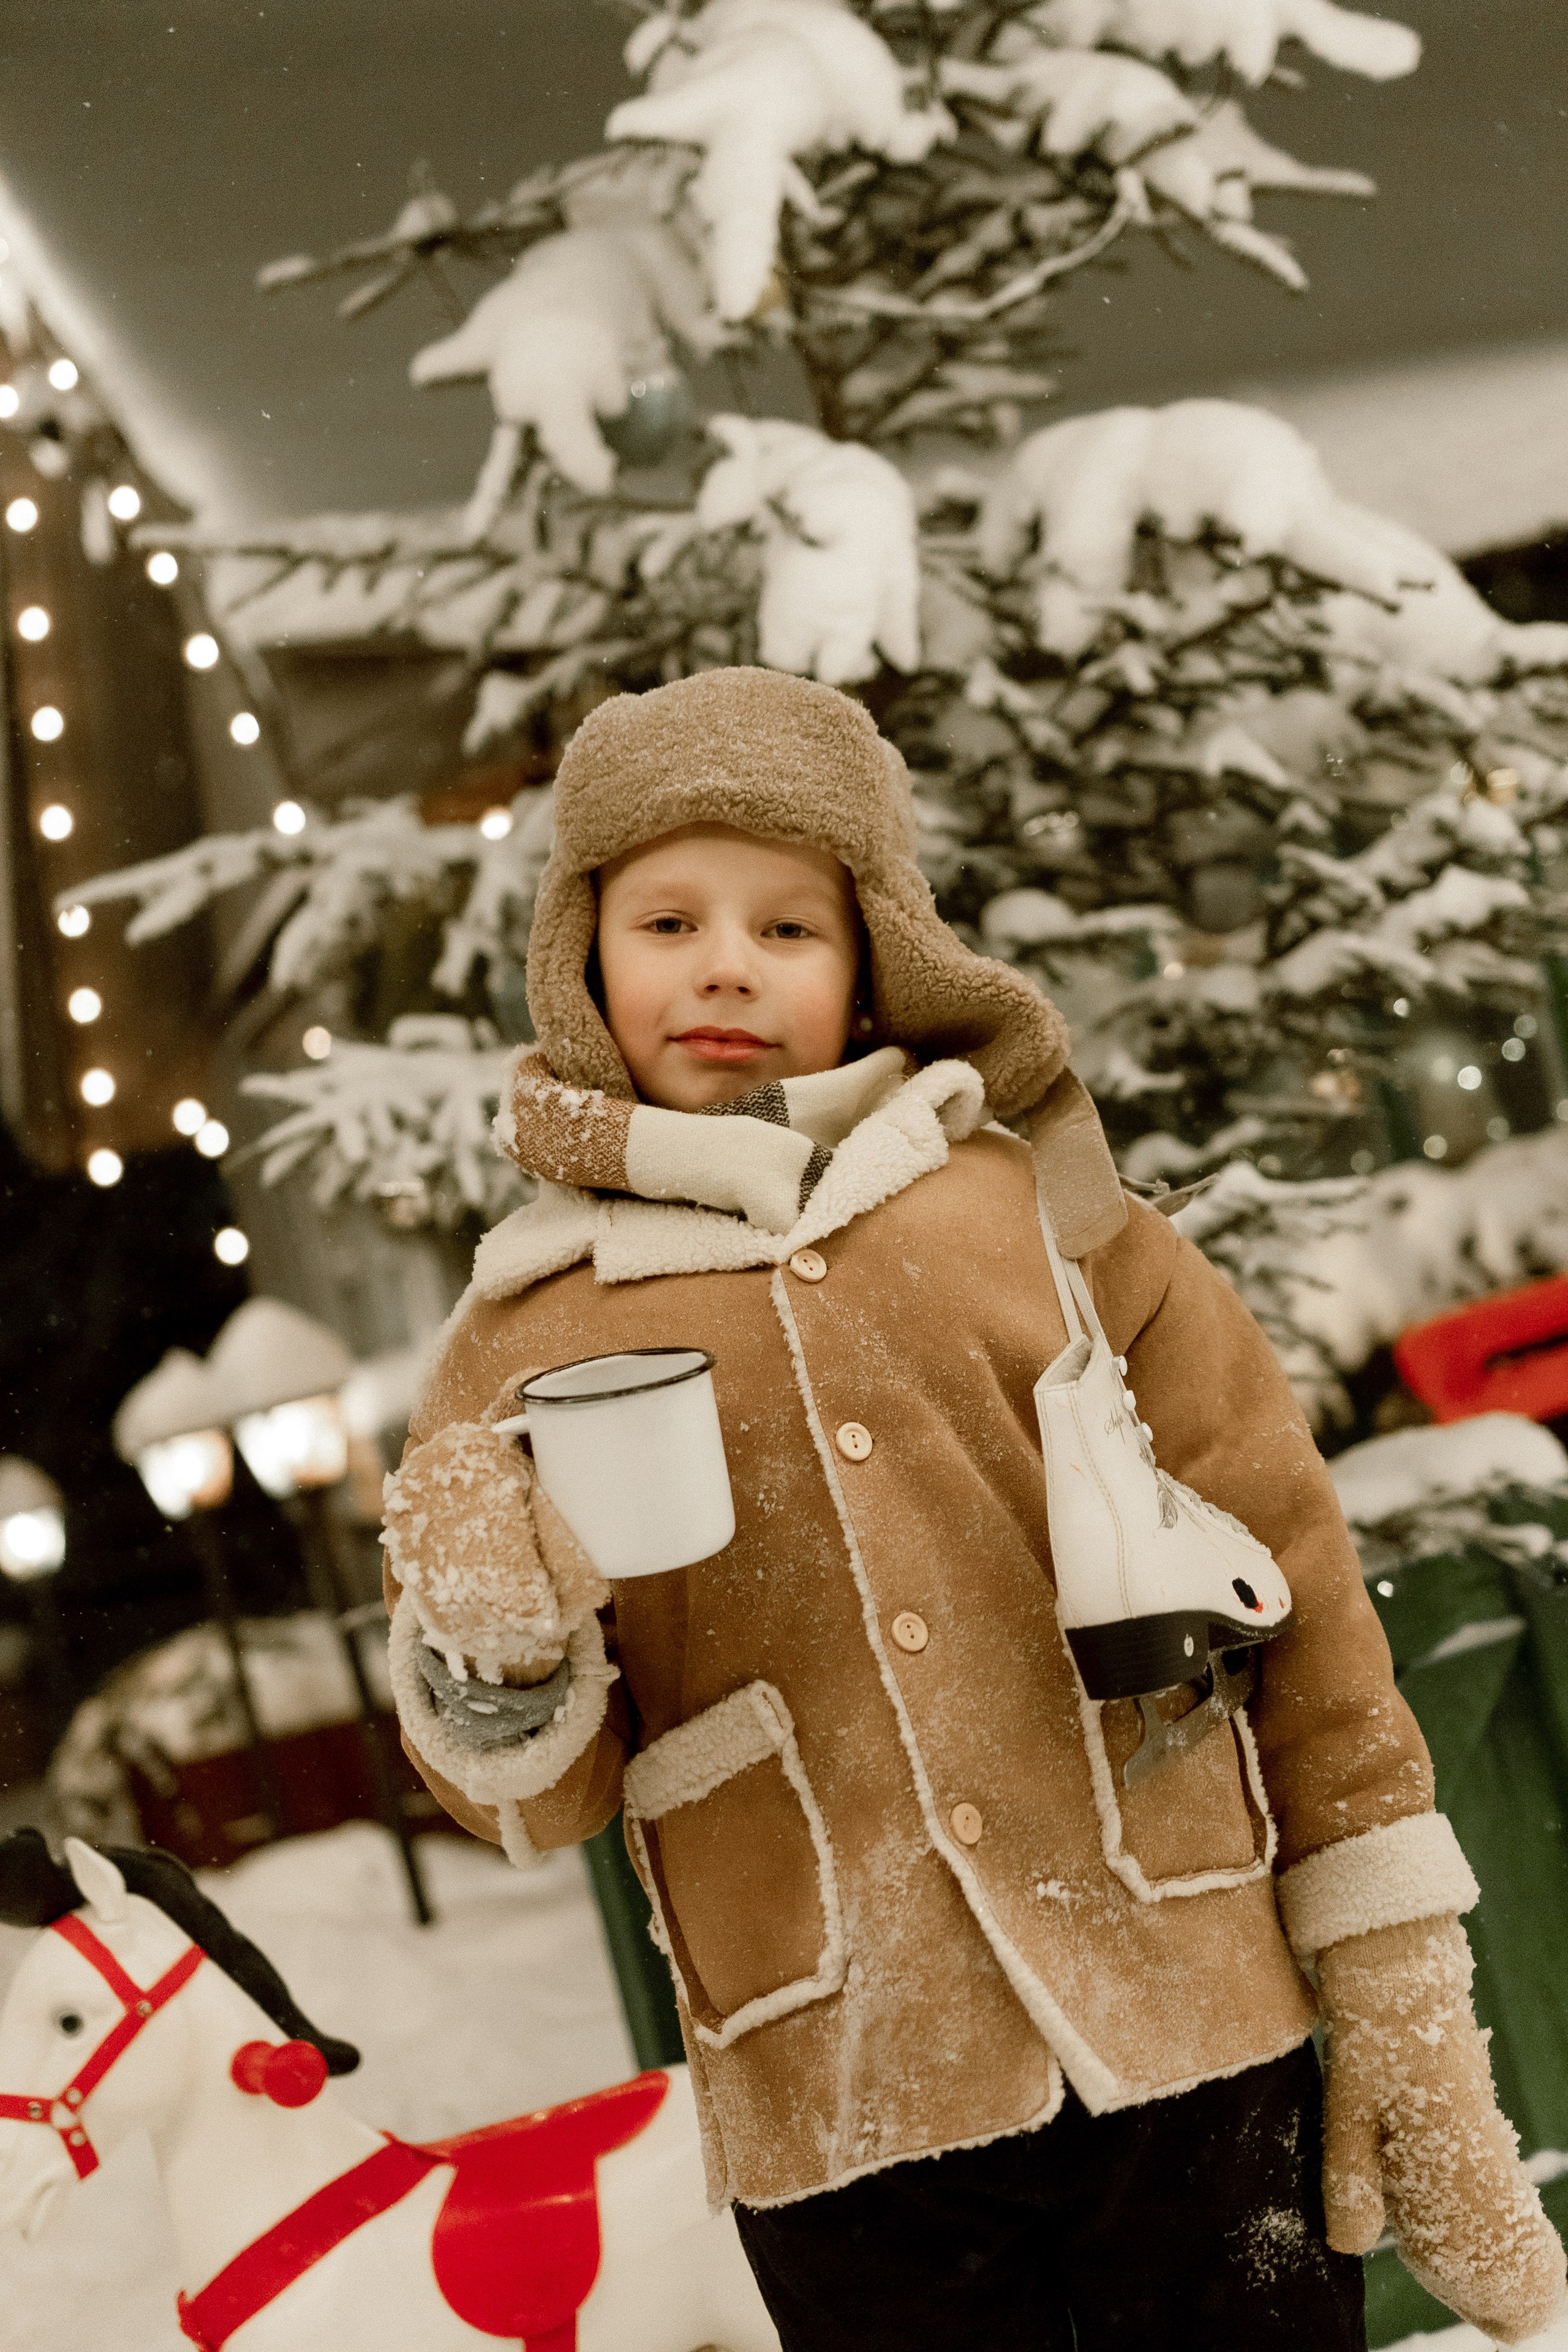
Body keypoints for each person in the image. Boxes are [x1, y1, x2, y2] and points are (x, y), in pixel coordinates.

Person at [381, 667, 1562, 2351]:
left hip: (1187, 2013)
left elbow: (1293, 1571)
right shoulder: (523, 1333)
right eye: (668, 919)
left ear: (874, 960)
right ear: (582, 957)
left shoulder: (1051, 1221)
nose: (726, 962)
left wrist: (1390, 1974)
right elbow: (528, 1802)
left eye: (789, 927)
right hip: (848, 2089)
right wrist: (494, 1660)